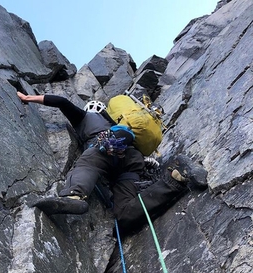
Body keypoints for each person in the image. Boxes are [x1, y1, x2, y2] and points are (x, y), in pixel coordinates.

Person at [17, 91, 208, 236]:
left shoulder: (85, 117)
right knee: (124, 216)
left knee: (88, 164)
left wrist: (26, 97)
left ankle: (73, 197)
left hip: (107, 146)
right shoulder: (116, 121)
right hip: (131, 160)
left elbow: (61, 102)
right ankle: (175, 178)